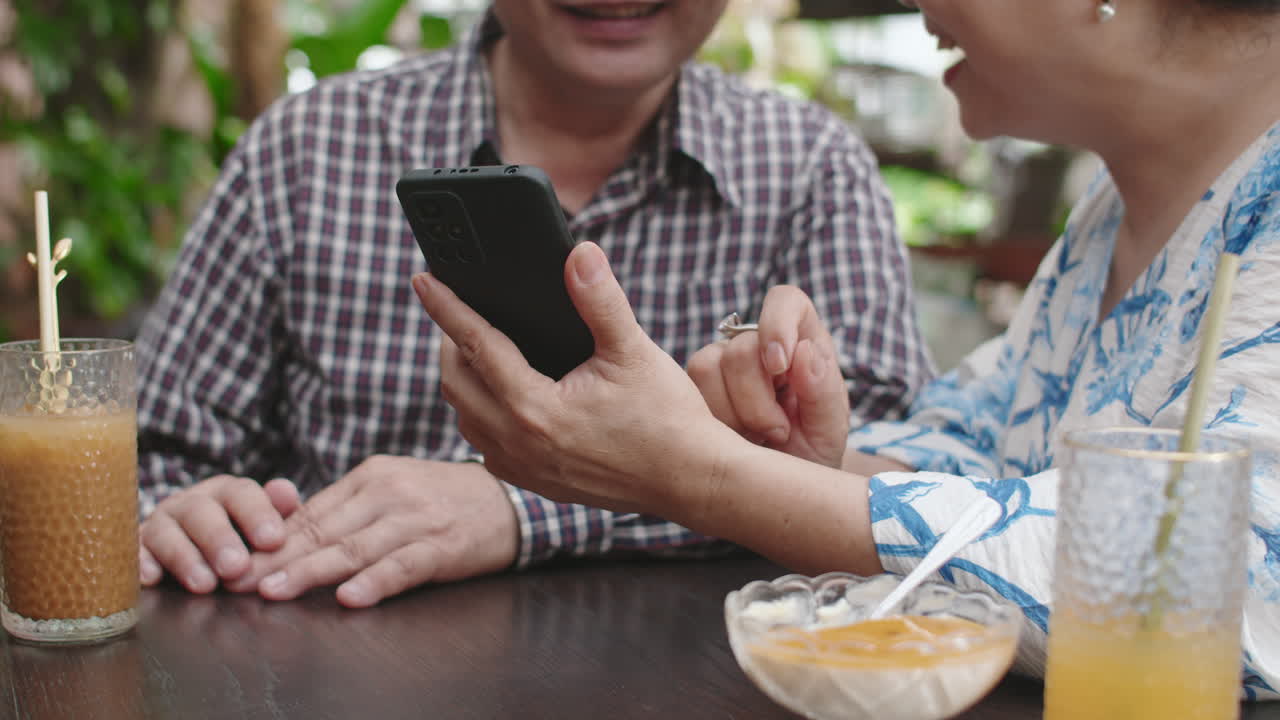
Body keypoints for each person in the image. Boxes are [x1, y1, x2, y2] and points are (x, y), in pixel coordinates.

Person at [415, 0, 1280, 697]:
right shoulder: (1114, 217)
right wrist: (787, 458)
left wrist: (704, 474)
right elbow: (981, 455)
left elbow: (1220, 588)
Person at [135, 1, 934, 607]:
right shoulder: (309, 148)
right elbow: (149, 457)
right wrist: (187, 516)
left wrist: (523, 507)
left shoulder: (810, 173)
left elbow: (897, 482)